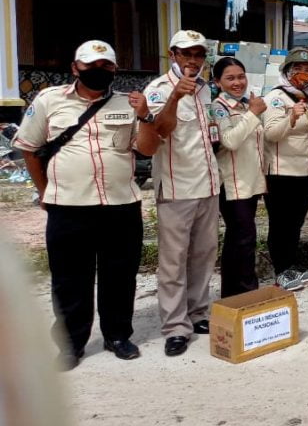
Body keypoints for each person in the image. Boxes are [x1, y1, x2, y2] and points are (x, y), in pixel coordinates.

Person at [14, 41, 155, 367]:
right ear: (75, 67)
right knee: (69, 279)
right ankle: (71, 344)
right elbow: (29, 148)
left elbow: (147, 150)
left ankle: (118, 335)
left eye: (106, 66)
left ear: (114, 70)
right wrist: (46, 191)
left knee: (120, 276)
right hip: (68, 207)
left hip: (120, 205)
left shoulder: (127, 103)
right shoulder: (49, 100)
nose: (98, 71)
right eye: (90, 65)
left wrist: (145, 115)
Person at [143, 30, 222, 357]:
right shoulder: (158, 90)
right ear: (172, 54)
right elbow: (159, 131)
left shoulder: (206, 89)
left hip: (208, 183)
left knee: (203, 253)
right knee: (174, 260)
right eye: (186, 54)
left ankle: (198, 312)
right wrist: (175, 96)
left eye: (198, 54)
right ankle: (176, 326)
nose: (193, 60)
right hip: (177, 186)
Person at [262, 48, 308, 289]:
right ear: (287, 71)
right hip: (281, 172)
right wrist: (291, 118)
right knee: (280, 224)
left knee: (295, 223)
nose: (304, 74)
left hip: (305, 172)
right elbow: (270, 134)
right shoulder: (276, 98)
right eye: (298, 69)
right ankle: (280, 270)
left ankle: (290, 264)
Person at [212, 57, 267, 298]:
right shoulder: (218, 107)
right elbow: (230, 141)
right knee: (243, 239)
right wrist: (254, 114)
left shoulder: (246, 105)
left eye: (241, 76)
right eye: (230, 78)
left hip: (250, 182)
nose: (237, 82)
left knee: (240, 239)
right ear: (217, 82)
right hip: (232, 183)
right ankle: (246, 292)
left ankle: (233, 294)